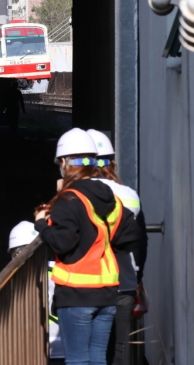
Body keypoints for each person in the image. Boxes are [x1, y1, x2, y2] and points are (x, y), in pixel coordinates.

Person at [34, 128, 142, 365]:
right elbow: (131, 236)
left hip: (76, 293)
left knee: (78, 360)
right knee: (98, 359)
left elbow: (61, 242)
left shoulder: (68, 199)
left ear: (64, 162)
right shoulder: (108, 196)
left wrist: (42, 223)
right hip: (106, 292)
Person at [85, 129, 148, 365]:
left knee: (89, 348)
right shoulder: (129, 195)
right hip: (124, 284)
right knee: (119, 349)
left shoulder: (76, 196)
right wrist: (137, 277)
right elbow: (141, 242)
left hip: (87, 284)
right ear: (112, 162)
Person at [8, 221, 64, 361]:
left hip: (36, 349)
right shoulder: (60, 271)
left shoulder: (18, 280)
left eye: (17, 252)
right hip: (65, 346)